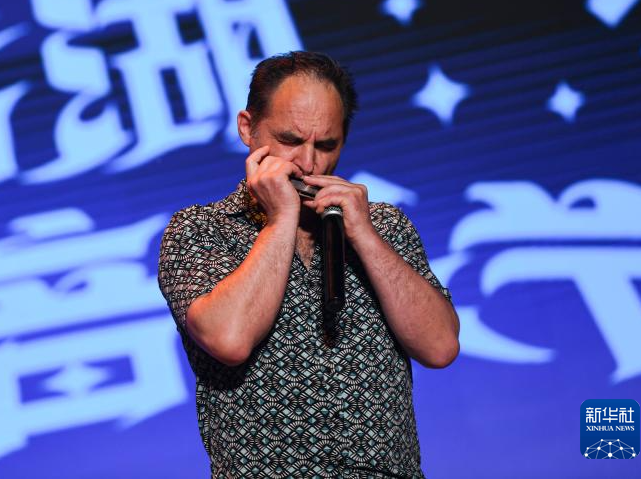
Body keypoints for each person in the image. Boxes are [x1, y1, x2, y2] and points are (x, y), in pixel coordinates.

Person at [157, 51, 459, 478]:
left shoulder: (383, 226)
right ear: (247, 128)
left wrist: (365, 236)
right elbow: (228, 339)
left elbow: (440, 347)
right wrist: (281, 219)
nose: (308, 163)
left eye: (326, 145)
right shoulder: (200, 230)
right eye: (290, 140)